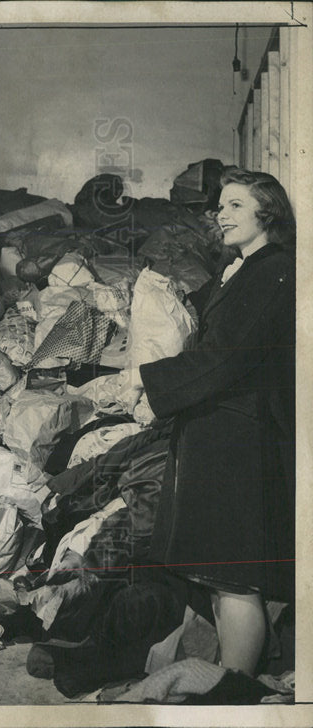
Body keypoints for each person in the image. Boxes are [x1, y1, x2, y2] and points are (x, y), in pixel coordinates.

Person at [122, 167, 295, 676]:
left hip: (241, 437)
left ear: (268, 212)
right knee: (220, 577)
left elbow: (227, 356)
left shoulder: (272, 269)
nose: (222, 214)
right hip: (221, 431)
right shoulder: (244, 266)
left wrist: (147, 385)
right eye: (220, 206)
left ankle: (236, 689)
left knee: (235, 579)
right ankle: (228, 680)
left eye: (236, 205)